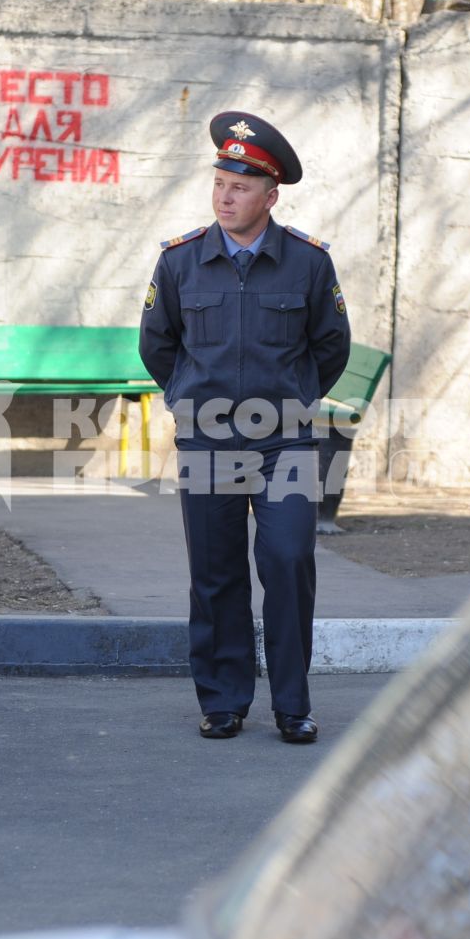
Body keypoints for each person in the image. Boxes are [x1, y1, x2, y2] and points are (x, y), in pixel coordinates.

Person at [138, 111, 352, 742]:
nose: (225, 195)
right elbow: (158, 344)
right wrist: (189, 401)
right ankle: (224, 699)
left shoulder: (308, 264)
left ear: (270, 196)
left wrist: (292, 402)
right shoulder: (180, 263)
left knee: (288, 561)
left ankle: (292, 703)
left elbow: (331, 347)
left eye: (240, 187)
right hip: (206, 441)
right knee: (216, 570)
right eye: (219, 183)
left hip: (283, 441)